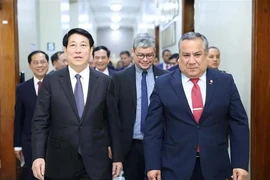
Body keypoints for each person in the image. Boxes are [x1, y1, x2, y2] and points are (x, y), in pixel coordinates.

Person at [144, 32, 249, 180]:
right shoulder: (163, 84)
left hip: (216, 166)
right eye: (186, 55)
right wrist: (153, 165)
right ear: (179, 57)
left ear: (206, 55)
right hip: (174, 166)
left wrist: (240, 163)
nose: (191, 61)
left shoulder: (225, 82)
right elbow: (152, 129)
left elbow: (239, 124)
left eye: (197, 54)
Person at [31, 28, 123, 180]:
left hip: (96, 162)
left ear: (90, 50)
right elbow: (40, 122)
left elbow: (113, 122)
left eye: (83, 45)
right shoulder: (51, 81)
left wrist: (117, 156)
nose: (78, 50)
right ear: (65, 50)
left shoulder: (105, 82)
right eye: (73, 45)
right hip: (59, 161)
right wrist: (38, 156)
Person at [109, 33, 167, 180]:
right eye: (141, 55)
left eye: (149, 55)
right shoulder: (119, 79)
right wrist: (116, 151)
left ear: (155, 54)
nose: (145, 60)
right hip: (131, 145)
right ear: (133, 52)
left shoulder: (166, 78)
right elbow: (113, 117)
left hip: (160, 144)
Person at [14, 50, 49, 180]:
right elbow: (19, 117)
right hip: (30, 142)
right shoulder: (22, 88)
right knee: (32, 174)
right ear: (30, 65)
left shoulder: (58, 85)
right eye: (36, 62)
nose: (40, 65)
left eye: (42, 62)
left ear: (48, 64)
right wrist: (17, 145)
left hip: (54, 142)